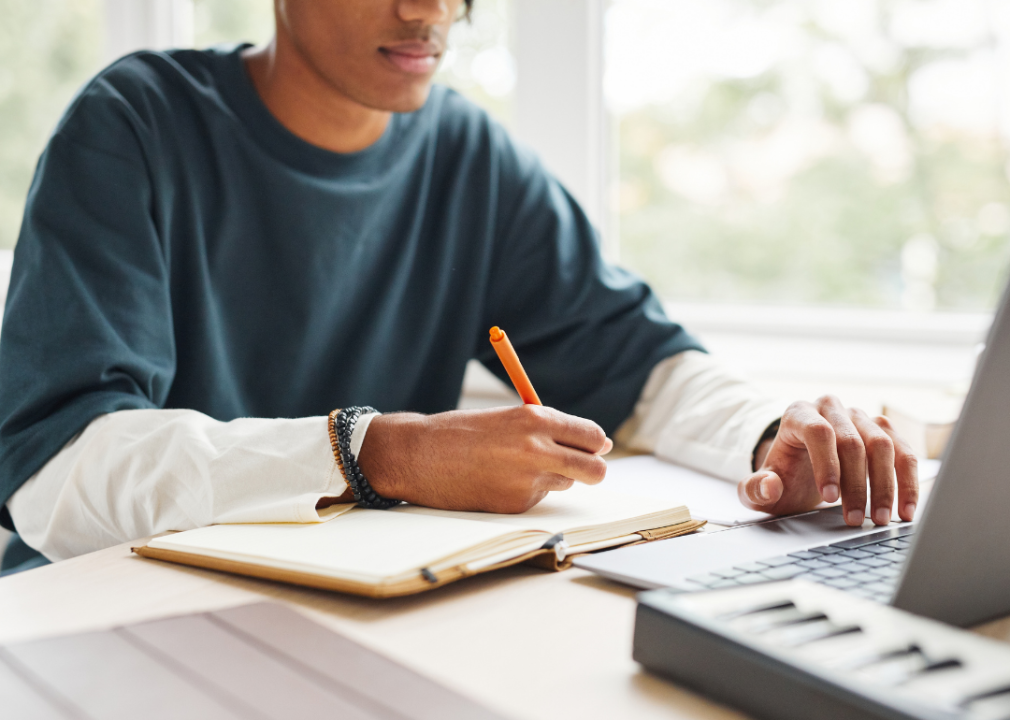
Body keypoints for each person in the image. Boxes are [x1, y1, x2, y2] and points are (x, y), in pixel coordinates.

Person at [0, 0, 917, 574]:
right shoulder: (135, 125)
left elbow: (637, 363)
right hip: (116, 608)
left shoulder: (470, 156)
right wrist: (378, 455)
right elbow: (52, 474)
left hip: (357, 603)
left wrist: (776, 436)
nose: (431, 8)